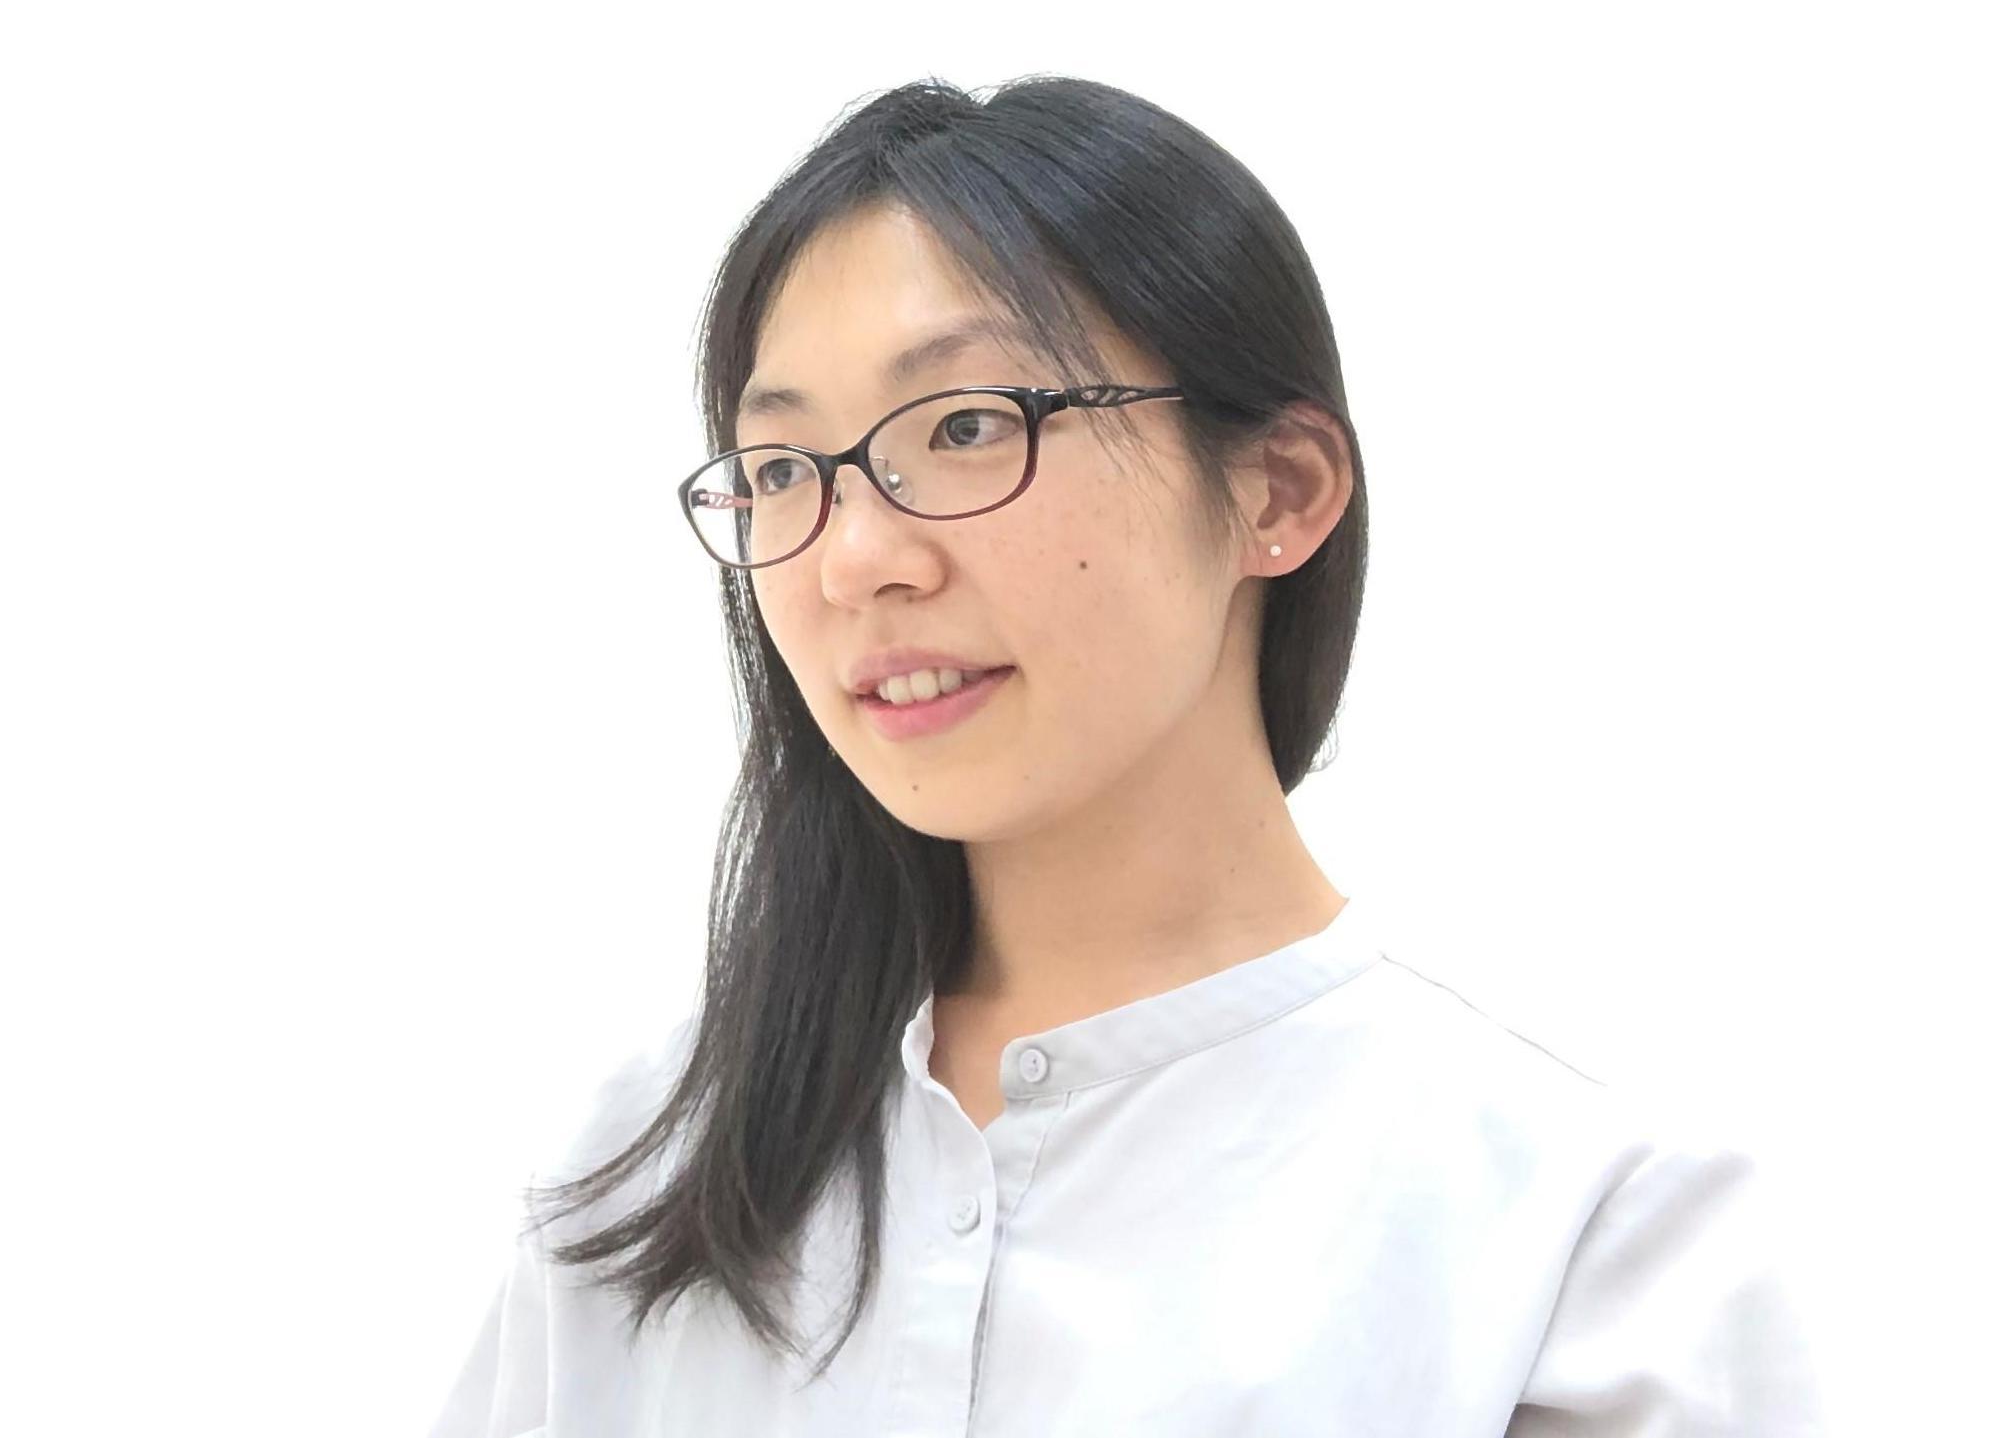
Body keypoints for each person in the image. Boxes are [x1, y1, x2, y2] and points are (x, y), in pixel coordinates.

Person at [428, 74, 1825, 1436]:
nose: (853, 560)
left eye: (966, 427)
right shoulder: (645, 1169)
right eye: (784, 469)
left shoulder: (1579, 1233)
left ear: (1276, 491)